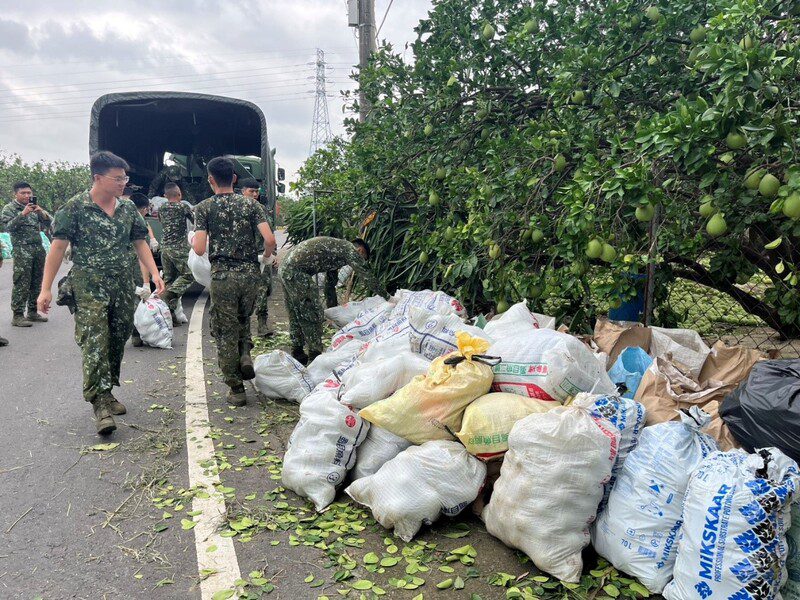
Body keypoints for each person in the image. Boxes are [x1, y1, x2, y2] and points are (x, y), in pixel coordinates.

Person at [38, 151, 165, 435]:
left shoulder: (127, 209)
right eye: (118, 178)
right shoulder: (74, 208)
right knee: (95, 340)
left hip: (121, 285)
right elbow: (57, 249)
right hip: (89, 285)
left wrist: (154, 273)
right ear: (98, 178)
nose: (123, 183)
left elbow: (140, 241)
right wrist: (45, 289)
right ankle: (99, 404)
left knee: (118, 337)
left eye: (125, 178)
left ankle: (107, 390)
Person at [193, 157, 276, 407]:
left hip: (223, 277)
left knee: (224, 330)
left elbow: (198, 249)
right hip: (250, 275)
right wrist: (265, 258)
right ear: (235, 179)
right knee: (243, 319)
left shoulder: (204, 208)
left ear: (210, 179)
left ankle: (236, 388)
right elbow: (270, 240)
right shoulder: (251, 206)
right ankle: (245, 353)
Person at [278, 236, 385, 365]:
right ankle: (314, 355)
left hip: (286, 269)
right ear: (361, 251)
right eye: (362, 259)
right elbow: (366, 276)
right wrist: (387, 296)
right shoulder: (350, 250)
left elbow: (330, 280)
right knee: (311, 312)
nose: (358, 261)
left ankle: (298, 352)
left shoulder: (337, 248)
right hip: (296, 273)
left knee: (295, 312)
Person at [0, 181, 51, 327]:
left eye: (29, 193)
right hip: (22, 250)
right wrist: (23, 214)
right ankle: (17, 315)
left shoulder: (35, 208)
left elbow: (51, 222)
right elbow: (8, 227)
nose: (27, 196)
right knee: (21, 282)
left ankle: (33, 311)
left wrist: (40, 212)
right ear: (15, 194)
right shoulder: (9, 209)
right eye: (23, 193)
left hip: (37, 248)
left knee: (37, 281)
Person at [239, 178, 273, 337]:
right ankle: (240, 327)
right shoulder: (234, 209)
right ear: (242, 191)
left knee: (262, 290)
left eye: (256, 192)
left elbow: (270, 234)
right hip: (240, 256)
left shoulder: (261, 210)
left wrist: (272, 254)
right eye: (251, 191)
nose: (254, 194)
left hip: (260, 255)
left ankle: (262, 325)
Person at [158, 182, 195, 323]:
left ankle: (171, 315)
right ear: (179, 194)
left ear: (165, 195)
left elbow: (162, 222)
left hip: (165, 248)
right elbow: (194, 220)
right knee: (189, 274)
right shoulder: (183, 206)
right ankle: (170, 294)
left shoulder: (161, 207)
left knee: (169, 279)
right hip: (179, 248)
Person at [129, 193, 158, 347]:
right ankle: (137, 334)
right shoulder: (137, 225)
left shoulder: (121, 217)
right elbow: (143, 258)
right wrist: (147, 282)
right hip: (135, 270)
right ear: (145, 209)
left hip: (118, 271)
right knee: (137, 301)